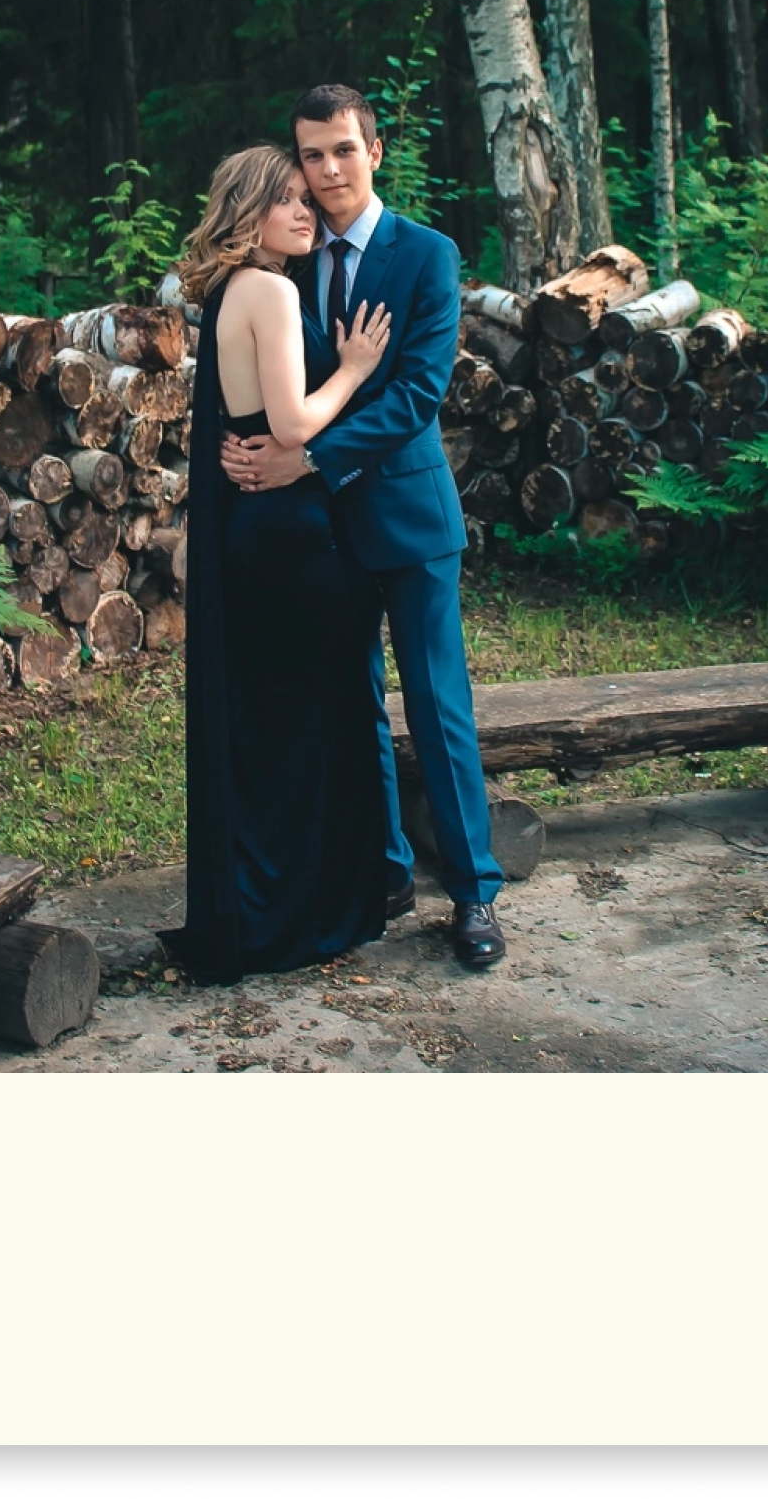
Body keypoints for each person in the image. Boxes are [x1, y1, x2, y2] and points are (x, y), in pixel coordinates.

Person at [220, 84, 506, 968]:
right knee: (349, 705)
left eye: (344, 149)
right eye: (312, 155)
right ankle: (380, 870)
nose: (328, 169)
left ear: (374, 151)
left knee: (436, 704)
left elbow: (419, 393)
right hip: (318, 532)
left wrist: (308, 457)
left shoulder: (427, 254)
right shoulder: (290, 257)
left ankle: (474, 892)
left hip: (408, 517)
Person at [162, 144, 393, 986]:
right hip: (292, 533)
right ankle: (308, 910)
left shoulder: (231, 291)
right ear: (248, 211)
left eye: (307, 199)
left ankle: (269, 905)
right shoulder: (269, 289)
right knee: (315, 719)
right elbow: (292, 426)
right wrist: (355, 370)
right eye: (288, 199)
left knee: (271, 724)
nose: (307, 212)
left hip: (255, 530)